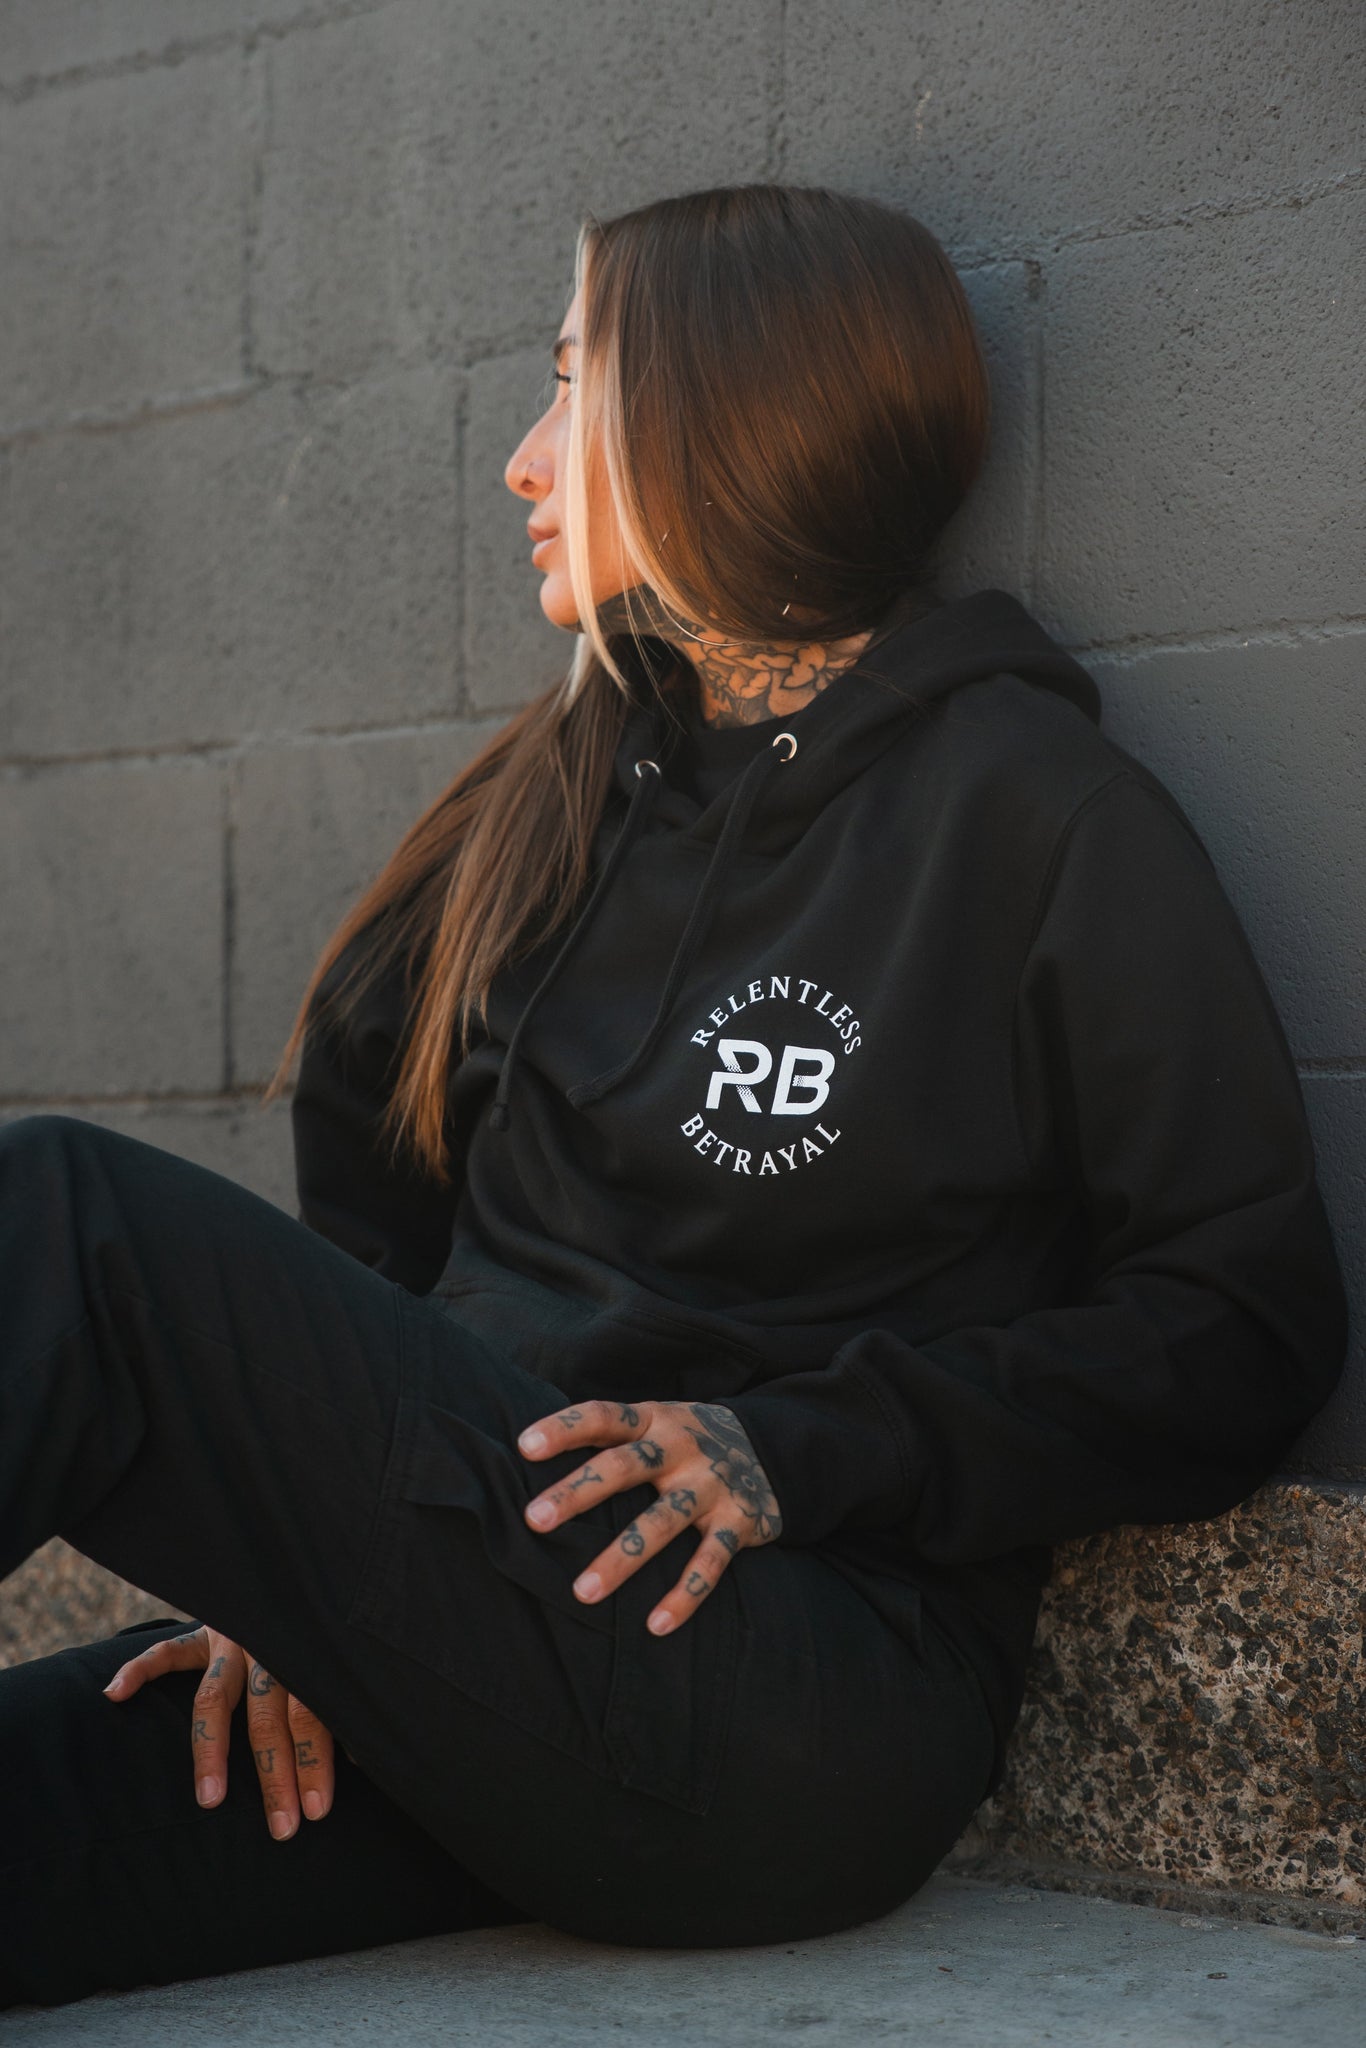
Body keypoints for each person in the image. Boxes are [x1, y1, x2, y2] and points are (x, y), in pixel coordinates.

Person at [0, 183, 1347, 2009]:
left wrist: (804, 1448)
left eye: (575, 387)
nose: (522, 459)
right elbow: (374, 1233)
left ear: (728, 414)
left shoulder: (1033, 817)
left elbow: (1245, 1324)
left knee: (64, 1226)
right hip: (496, 1636)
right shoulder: (545, 806)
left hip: (791, 1693)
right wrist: (295, 1557)